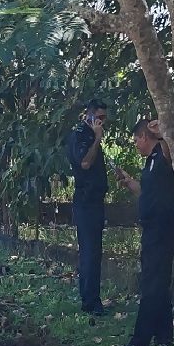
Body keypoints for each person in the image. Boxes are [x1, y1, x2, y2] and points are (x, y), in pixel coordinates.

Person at [116, 119, 174, 346]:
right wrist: (130, 182)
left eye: (135, 140)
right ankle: (164, 338)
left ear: (144, 137)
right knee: (159, 284)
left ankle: (138, 344)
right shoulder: (149, 164)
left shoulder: (162, 156)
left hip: (162, 230)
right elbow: (147, 195)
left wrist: (161, 133)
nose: (135, 145)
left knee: (151, 286)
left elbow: (171, 151)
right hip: (151, 229)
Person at [66, 98, 109, 316]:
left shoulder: (91, 136)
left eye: (104, 119)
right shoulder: (80, 136)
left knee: (94, 252)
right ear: (89, 115)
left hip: (96, 201)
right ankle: (90, 302)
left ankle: (91, 297)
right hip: (85, 202)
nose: (102, 122)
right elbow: (84, 163)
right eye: (99, 118)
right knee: (90, 252)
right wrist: (97, 140)